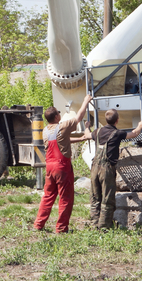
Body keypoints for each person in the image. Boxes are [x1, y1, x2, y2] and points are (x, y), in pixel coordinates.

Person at [34, 94, 93, 234]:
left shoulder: (46, 131)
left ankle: (38, 224)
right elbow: (78, 117)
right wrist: (85, 101)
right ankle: (61, 228)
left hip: (49, 167)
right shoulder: (62, 126)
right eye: (58, 114)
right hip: (62, 167)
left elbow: (61, 141)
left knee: (48, 196)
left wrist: (81, 139)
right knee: (65, 197)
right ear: (56, 117)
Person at [90, 110, 142, 229]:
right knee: (107, 199)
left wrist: (85, 127)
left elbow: (86, 135)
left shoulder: (97, 131)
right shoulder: (117, 133)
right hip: (106, 169)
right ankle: (104, 227)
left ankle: (95, 225)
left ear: (106, 120)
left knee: (95, 198)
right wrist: (140, 125)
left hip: (94, 168)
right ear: (117, 120)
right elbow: (134, 134)